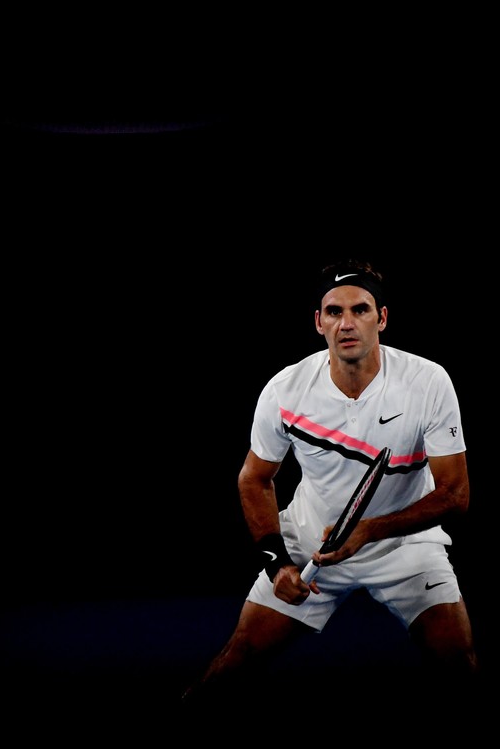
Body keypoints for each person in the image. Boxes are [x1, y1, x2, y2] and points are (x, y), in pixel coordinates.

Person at [181, 258, 479, 707]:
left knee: (459, 664)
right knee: (236, 660)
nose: (347, 323)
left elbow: (455, 495)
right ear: (318, 323)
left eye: (360, 309)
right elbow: (254, 479)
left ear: (381, 318)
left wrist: (370, 530)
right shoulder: (286, 390)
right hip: (310, 540)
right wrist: (276, 561)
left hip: (406, 546)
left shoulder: (428, 382)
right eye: (334, 311)